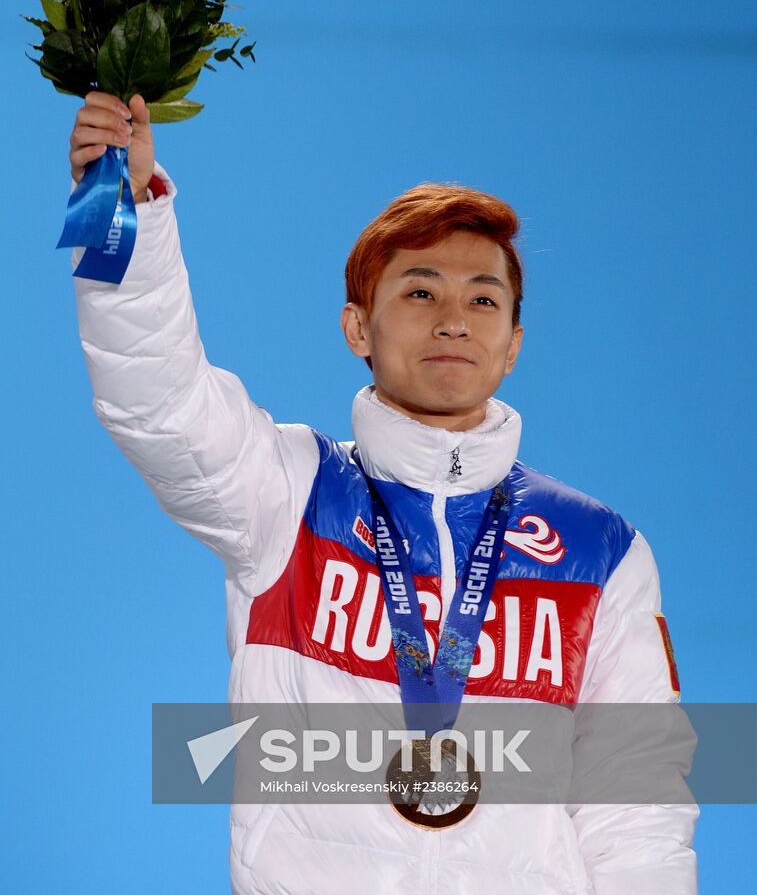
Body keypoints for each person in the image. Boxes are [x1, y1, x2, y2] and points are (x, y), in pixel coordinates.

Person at [68, 92, 698, 895]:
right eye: (419, 292)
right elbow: (156, 399)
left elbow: (635, 804)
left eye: (482, 300)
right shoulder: (286, 492)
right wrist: (117, 203)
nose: (452, 322)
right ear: (357, 329)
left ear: (512, 344)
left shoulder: (597, 549)